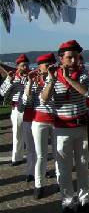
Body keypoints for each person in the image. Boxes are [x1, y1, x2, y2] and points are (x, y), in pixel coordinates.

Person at [40, 40, 89, 213]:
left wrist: (70, 79)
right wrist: (52, 79)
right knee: (63, 169)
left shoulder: (82, 74)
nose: (73, 60)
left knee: (82, 166)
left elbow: (87, 92)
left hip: (80, 126)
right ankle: (67, 203)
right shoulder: (52, 76)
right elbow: (44, 99)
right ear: (60, 58)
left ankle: (84, 200)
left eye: (76, 57)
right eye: (69, 57)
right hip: (62, 128)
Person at [24, 53, 57, 199]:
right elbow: (26, 101)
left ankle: (61, 181)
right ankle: (39, 185)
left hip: (56, 120)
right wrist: (30, 83)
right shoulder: (33, 80)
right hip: (39, 121)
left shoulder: (57, 78)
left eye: (51, 63)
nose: (49, 66)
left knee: (59, 153)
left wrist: (52, 78)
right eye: (46, 64)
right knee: (41, 155)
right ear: (39, 66)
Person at [0, 54, 29, 166]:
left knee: (31, 135)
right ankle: (17, 158)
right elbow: (2, 93)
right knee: (17, 134)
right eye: (23, 65)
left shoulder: (31, 76)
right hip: (17, 108)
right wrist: (9, 81)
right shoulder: (12, 77)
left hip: (30, 108)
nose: (25, 67)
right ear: (18, 66)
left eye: (26, 65)